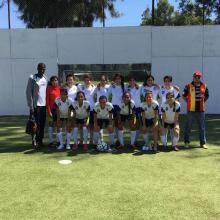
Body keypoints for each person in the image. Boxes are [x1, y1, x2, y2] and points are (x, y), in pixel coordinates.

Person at [182, 71, 209, 149]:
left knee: (202, 127)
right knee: (188, 127)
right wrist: (188, 102)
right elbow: (184, 96)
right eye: (195, 77)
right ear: (193, 77)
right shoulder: (188, 86)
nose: (197, 78)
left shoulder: (204, 86)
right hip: (191, 110)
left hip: (201, 110)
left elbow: (206, 96)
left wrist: (202, 102)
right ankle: (186, 142)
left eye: (198, 77)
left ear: (200, 78)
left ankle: (202, 143)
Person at [26, 63, 48, 149]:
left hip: (44, 106)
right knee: (35, 125)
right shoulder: (32, 78)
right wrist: (31, 107)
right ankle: (34, 141)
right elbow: (28, 93)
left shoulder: (45, 79)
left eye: (43, 69)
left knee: (42, 124)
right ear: (37, 68)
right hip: (36, 106)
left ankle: (40, 141)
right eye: (40, 68)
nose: (42, 70)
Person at [77, 74, 96, 144]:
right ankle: (81, 140)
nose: (87, 81)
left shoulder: (94, 87)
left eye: (88, 80)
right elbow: (73, 84)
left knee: (91, 126)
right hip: (83, 110)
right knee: (82, 126)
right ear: (83, 81)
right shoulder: (80, 87)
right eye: (85, 80)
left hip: (92, 109)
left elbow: (104, 86)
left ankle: (91, 140)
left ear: (91, 81)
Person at [126, 77, 142, 143]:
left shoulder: (139, 87)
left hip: (138, 108)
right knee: (132, 124)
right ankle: (132, 142)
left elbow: (147, 84)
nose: (132, 82)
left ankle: (134, 141)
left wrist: (155, 85)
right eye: (130, 80)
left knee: (137, 124)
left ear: (135, 81)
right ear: (129, 82)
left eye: (133, 80)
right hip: (130, 108)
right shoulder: (127, 88)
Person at [46, 76, 60, 146]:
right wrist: (49, 111)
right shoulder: (48, 88)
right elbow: (47, 101)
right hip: (51, 110)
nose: (55, 82)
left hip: (58, 110)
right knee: (51, 125)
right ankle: (51, 142)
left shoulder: (59, 88)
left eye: (56, 80)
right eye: (53, 81)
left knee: (58, 125)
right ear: (51, 82)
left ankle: (58, 141)